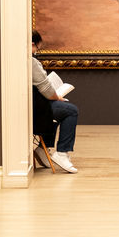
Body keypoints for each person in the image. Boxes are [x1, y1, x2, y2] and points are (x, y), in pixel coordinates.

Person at [31, 30, 79, 173]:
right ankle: (62, 153)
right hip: (36, 110)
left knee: (60, 109)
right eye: (37, 48)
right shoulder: (31, 62)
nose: (36, 51)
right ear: (32, 44)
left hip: (32, 105)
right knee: (70, 110)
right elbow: (46, 89)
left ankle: (43, 147)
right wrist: (57, 96)